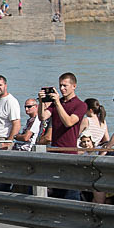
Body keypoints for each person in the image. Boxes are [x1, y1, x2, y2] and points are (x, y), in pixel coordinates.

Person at [38, 73, 87, 204]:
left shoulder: (80, 105)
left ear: (74, 86)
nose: (62, 88)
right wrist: (41, 102)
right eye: (60, 85)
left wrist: (58, 102)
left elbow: (69, 122)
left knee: (71, 193)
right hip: (55, 153)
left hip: (69, 154)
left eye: (65, 85)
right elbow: (42, 117)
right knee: (57, 193)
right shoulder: (55, 105)